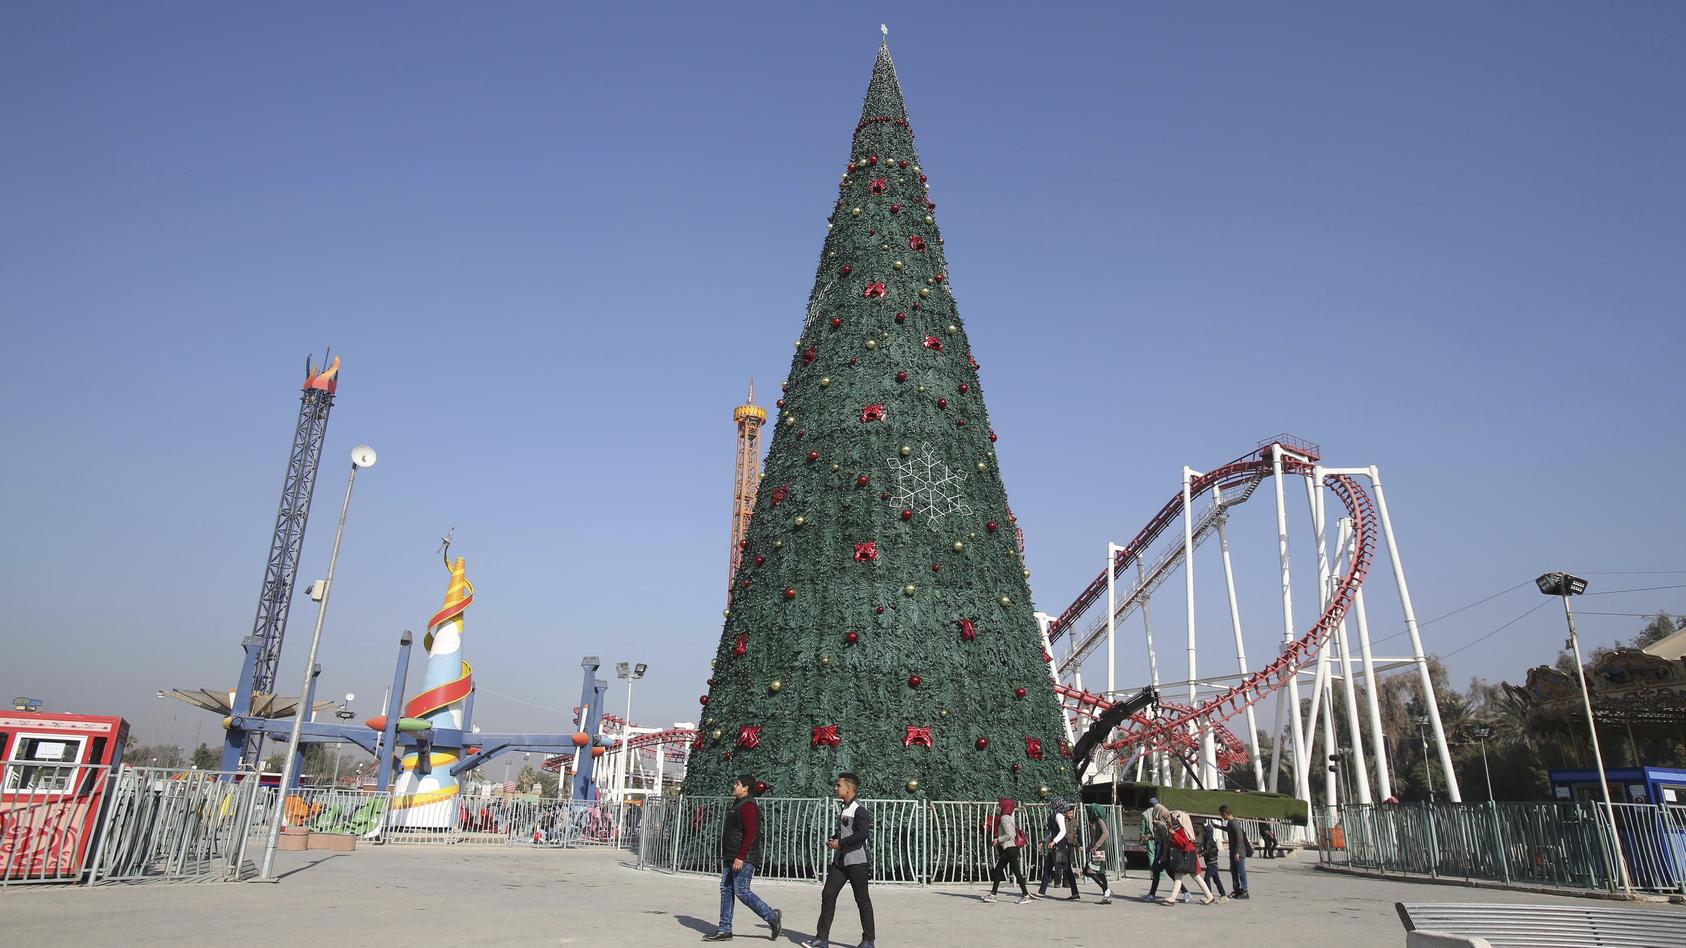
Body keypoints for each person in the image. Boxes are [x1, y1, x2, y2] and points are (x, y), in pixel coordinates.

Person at [703, 774, 782, 942]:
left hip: (743, 857)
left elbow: (751, 834)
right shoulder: (738, 803)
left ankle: (772, 916)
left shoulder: (748, 806)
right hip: (730, 855)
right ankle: (725, 929)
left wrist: (740, 856)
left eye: (737, 784)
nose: (734, 786)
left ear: (745, 788)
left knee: (741, 891)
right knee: (726, 889)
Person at [804, 772, 875, 948]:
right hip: (840, 862)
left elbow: (862, 834)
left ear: (849, 788)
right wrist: (834, 839)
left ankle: (868, 940)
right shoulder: (844, 807)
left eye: (839, 785)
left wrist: (840, 843)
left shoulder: (859, 809)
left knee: (862, 900)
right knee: (828, 895)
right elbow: (846, 831)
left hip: (857, 862)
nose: (836, 788)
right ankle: (822, 938)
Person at [980, 797, 1031, 903]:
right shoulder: (1008, 816)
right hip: (1008, 849)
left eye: (999, 805)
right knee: (998, 870)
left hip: (1009, 849)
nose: (998, 807)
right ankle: (993, 894)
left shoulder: (1004, 818)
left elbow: (1010, 835)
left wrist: (997, 839)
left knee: (1016, 872)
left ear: (1004, 806)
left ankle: (1025, 895)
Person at [1161, 809, 1216, 906]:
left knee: (1187, 876)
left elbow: (1184, 843)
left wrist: (1173, 834)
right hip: (1187, 855)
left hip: (1187, 855)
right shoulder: (1183, 829)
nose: (1172, 820)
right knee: (1187, 876)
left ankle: (1209, 896)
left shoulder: (1182, 830)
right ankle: (1208, 896)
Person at [1033, 799, 1080, 900]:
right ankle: (1041, 892)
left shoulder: (1059, 815)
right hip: (1055, 847)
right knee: (1048, 868)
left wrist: (1054, 841)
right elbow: (1051, 832)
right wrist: (1043, 841)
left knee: (1067, 869)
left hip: (1060, 847)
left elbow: (1063, 831)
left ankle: (1075, 893)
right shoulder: (1054, 815)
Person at [1143, 800, 1184, 902]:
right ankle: (1186, 892)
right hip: (1161, 849)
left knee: (1156, 871)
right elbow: (1160, 839)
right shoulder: (1159, 823)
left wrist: (1164, 856)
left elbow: (1165, 841)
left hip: (1162, 850)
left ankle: (1152, 894)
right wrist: (1150, 838)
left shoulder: (1160, 825)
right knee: (1169, 872)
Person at [1079, 803, 1115, 904]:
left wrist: (1096, 846)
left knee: (1088, 870)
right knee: (1100, 873)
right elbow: (1094, 837)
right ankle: (1106, 895)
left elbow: (1105, 833)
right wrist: (1089, 847)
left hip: (1100, 849)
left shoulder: (1099, 820)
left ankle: (1107, 891)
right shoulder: (1094, 821)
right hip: (1096, 849)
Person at [1214, 805, 1251, 899]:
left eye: (1222, 815)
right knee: (1233, 871)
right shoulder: (1230, 823)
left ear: (1225, 814)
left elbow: (1239, 838)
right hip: (1233, 852)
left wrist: (1237, 852)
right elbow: (1229, 830)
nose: (1222, 817)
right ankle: (1237, 890)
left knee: (1241, 871)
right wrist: (1219, 827)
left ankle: (1245, 891)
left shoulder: (1234, 823)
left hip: (1239, 852)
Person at [1198, 818, 1227, 899]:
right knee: (1216, 880)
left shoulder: (1208, 839)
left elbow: (1206, 850)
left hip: (1211, 863)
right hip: (1213, 862)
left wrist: (1199, 855)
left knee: (1206, 879)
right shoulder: (1210, 839)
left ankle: (1209, 895)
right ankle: (1223, 894)